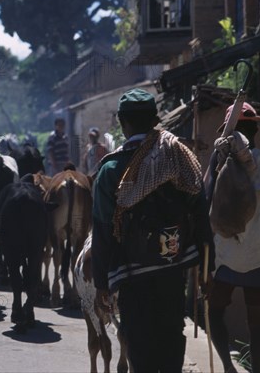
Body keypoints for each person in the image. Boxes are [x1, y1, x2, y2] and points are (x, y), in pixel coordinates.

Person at [92, 88, 213, 372]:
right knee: (172, 339)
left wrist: (101, 282)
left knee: (140, 345)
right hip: (173, 270)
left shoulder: (110, 171)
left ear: (122, 124)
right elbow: (200, 216)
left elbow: (102, 229)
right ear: (155, 120)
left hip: (133, 278)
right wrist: (209, 270)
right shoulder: (179, 157)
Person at [205, 102, 260, 373]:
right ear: (255, 129)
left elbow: (204, 204)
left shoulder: (219, 163)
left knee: (214, 313)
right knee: (257, 324)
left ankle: (228, 367)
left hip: (225, 258)